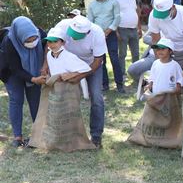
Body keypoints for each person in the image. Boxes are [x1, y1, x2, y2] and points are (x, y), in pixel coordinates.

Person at [46, 15, 107, 148]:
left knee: (96, 98)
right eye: (72, 34)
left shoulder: (97, 33)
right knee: (63, 97)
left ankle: (96, 136)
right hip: (67, 62)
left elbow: (98, 61)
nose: (73, 37)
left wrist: (79, 76)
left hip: (91, 64)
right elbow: (50, 43)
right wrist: (45, 66)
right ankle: (65, 134)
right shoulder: (63, 25)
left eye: (77, 35)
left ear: (87, 32)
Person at [2, 16, 46, 147]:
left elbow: (48, 48)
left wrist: (45, 66)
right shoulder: (9, 42)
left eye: (34, 39)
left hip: (35, 69)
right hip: (11, 72)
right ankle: (18, 137)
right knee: (16, 99)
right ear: (20, 37)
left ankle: (38, 134)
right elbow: (15, 69)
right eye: (28, 40)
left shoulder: (40, 33)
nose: (32, 42)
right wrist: (33, 79)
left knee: (35, 100)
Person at [87, 0, 124, 93]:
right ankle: (104, 85)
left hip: (110, 34)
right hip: (97, 36)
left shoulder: (113, 2)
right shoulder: (92, 5)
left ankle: (119, 85)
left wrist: (108, 31)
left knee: (114, 59)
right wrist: (96, 34)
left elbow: (117, 18)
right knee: (100, 60)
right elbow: (90, 21)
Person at [148, 0, 183, 69]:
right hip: (165, 51)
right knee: (135, 70)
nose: (161, 17)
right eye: (159, 13)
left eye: (164, 14)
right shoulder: (153, 15)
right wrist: (160, 63)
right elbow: (155, 40)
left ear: (173, 7)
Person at [115, 0, 141, 79]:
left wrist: (139, 28)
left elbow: (136, 13)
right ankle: (122, 74)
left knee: (136, 53)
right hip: (122, 30)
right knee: (122, 53)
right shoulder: (116, 0)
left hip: (133, 29)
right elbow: (113, 16)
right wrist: (116, 32)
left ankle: (136, 74)